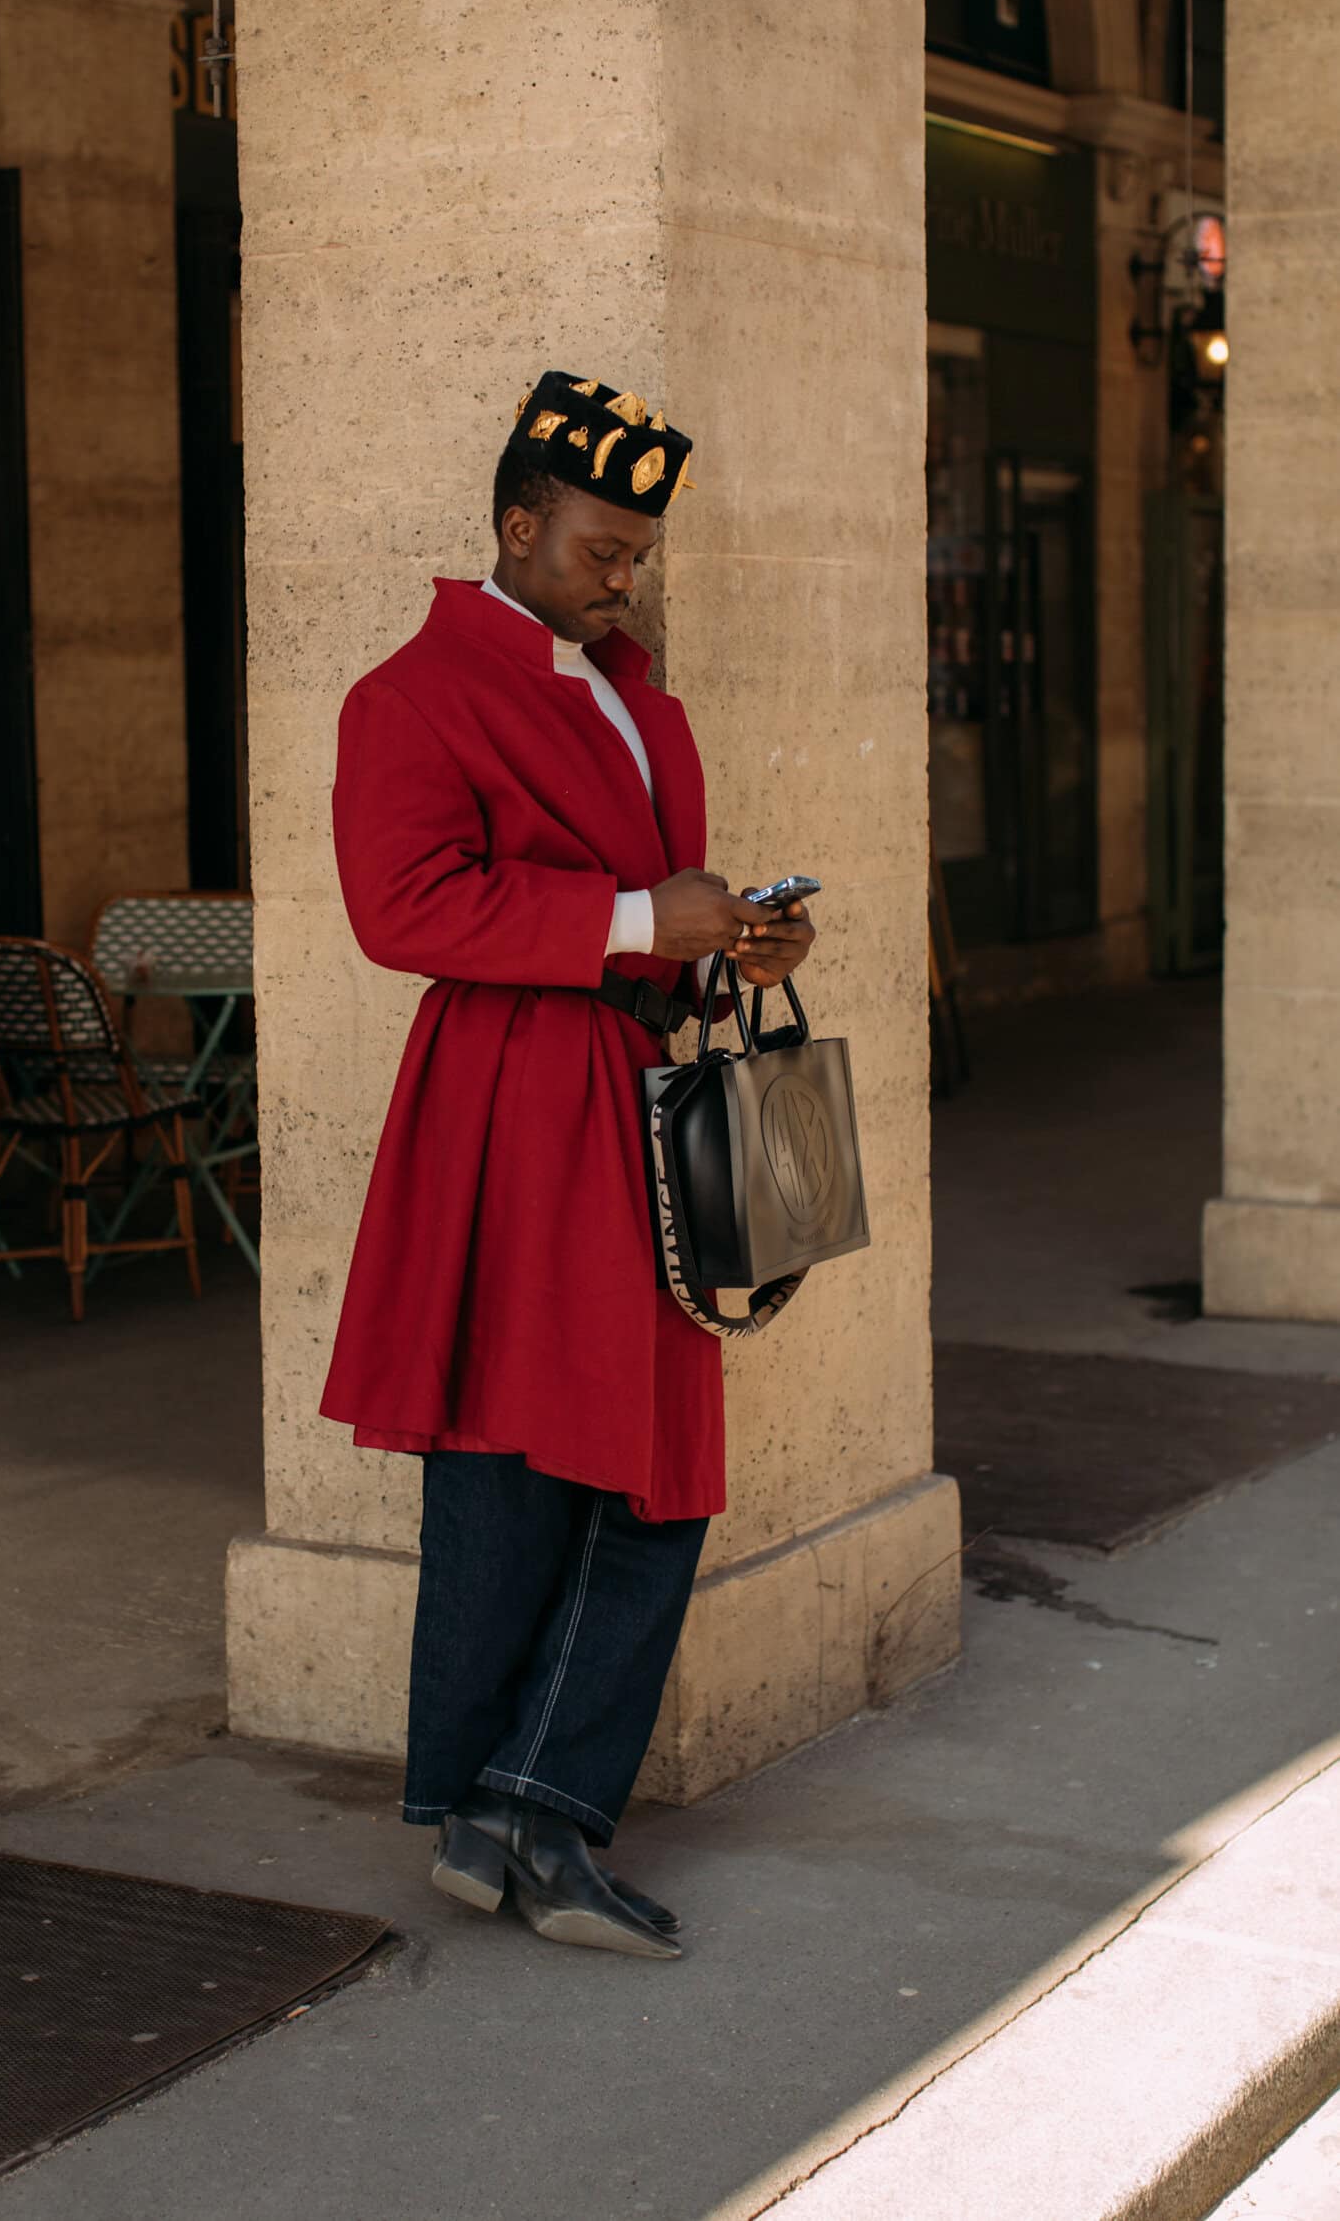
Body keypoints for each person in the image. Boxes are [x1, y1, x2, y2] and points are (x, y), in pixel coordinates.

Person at [322, 371, 816, 1959]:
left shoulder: (626, 688)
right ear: (518, 525)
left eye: (639, 554)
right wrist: (626, 920)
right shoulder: (408, 694)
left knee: (608, 1442)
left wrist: (733, 939)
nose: (628, 576)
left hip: (627, 1077)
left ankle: (502, 1805)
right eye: (605, 547)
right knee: (544, 1446)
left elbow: (650, 916)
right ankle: (518, 1803)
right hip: (515, 1099)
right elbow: (400, 908)